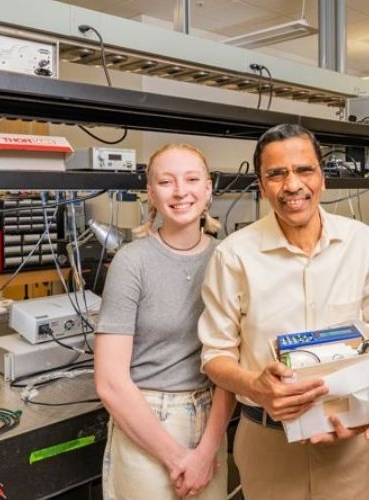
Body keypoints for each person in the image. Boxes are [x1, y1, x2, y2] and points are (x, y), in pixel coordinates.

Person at [198, 123, 369, 500]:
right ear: (261, 183)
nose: (292, 185)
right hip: (268, 443)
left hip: (350, 440)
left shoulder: (360, 242)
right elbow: (215, 355)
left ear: (322, 176)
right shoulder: (234, 255)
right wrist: (255, 384)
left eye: (304, 170)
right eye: (276, 174)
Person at [94, 143, 233, 499]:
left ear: (208, 189)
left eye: (191, 179)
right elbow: (110, 382)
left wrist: (206, 450)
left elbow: (231, 365)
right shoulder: (131, 262)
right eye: (166, 181)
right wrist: (177, 459)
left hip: (211, 421)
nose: (181, 191)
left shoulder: (228, 258)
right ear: (151, 194)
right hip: (146, 421)